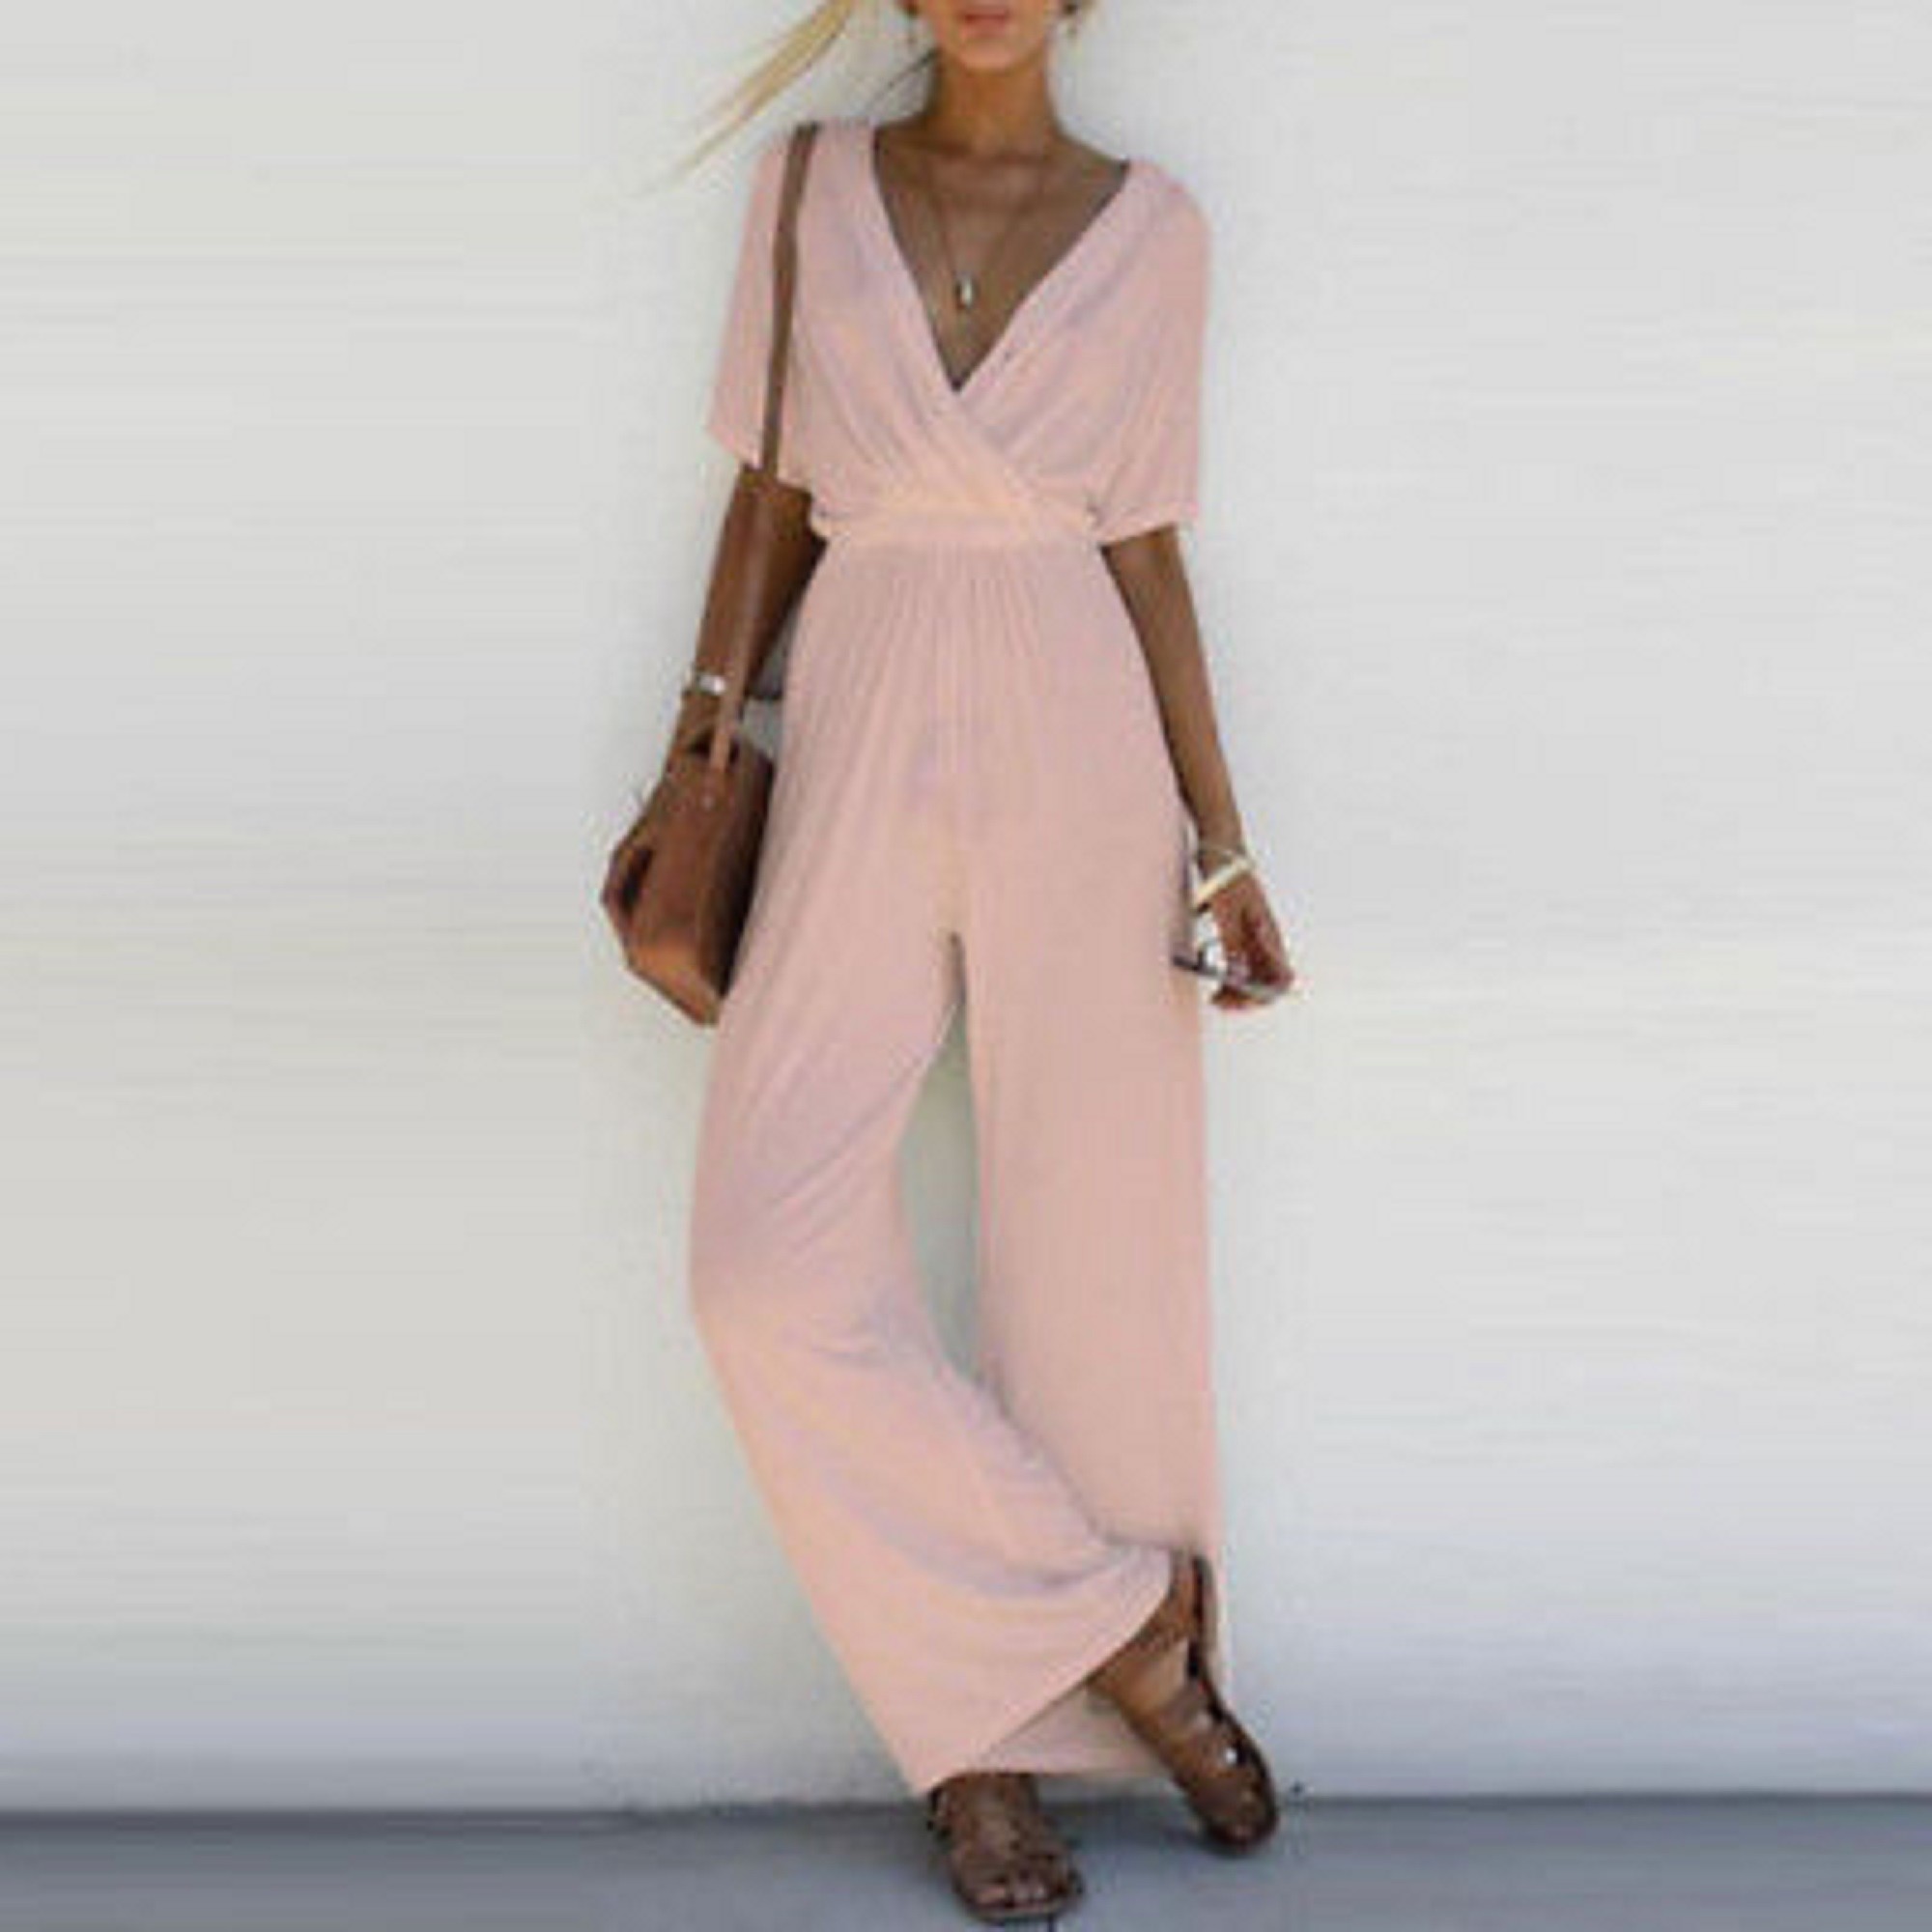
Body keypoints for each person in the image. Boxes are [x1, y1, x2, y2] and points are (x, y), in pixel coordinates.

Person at [636, 1, 1299, 1918]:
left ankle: (998, 1762)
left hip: (1077, 731)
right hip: (855, 706)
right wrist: (696, 743)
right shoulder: (804, 189)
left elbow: (1148, 548)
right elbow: (768, 494)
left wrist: (1222, 837)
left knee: (1096, 1251)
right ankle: (1113, 1632)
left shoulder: (1154, 228)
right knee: (761, 1272)